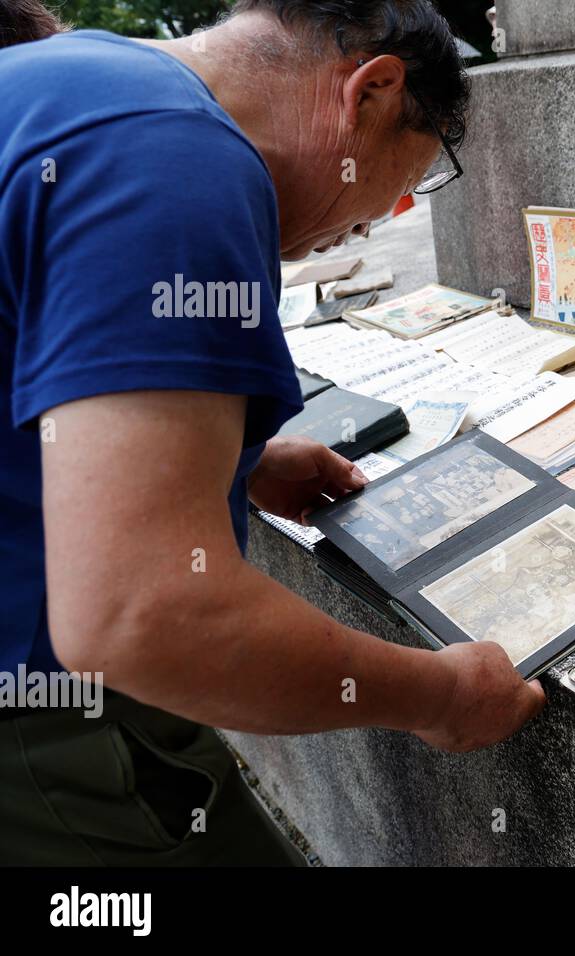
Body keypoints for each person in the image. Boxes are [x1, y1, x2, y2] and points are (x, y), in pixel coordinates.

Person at [0, 0, 545, 866]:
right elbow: (143, 613)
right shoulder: (179, 160)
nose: (378, 221)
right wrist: (438, 694)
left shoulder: (79, 83)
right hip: (47, 744)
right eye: (385, 200)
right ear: (371, 91)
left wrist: (232, 463)